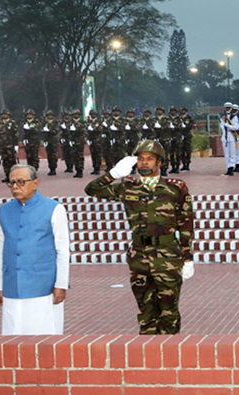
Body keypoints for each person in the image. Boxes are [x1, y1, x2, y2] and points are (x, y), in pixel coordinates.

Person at [84, 140, 194, 334]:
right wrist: (113, 174)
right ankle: (148, 356)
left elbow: (186, 224)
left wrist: (188, 258)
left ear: (159, 163)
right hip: (139, 257)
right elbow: (91, 189)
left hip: (167, 256)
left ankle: (169, 355)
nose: (144, 163)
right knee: (146, 312)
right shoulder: (128, 187)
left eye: (150, 159)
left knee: (169, 312)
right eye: (141, 159)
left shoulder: (175, 188)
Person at [0, 164, 70, 335]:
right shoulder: (2, 211)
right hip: (12, 286)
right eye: (11, 183)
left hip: (44, 287)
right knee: (13, 339)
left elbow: (62, 250)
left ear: (35, 183)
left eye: (20, 182)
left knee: (45, 339)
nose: (15, 187)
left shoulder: (54, 209)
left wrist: (61, 284)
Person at [0, 110, 19, 183]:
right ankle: (7, 175)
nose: (4, 115)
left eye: (5, 114)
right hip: (2, 145)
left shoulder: (12, 123)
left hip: (10, 145)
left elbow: (16, 135)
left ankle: (14, 176)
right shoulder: (0, 123)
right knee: (5, 161)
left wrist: (16, 144)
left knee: (12, 161)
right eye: (3, 114)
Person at [220, 102, 239, 176]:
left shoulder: (235, 117)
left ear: (231, 108)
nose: (227, 109)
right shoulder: (223, 117)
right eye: (226, 108)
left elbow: (236, 127)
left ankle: (232, 167)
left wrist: (228, 126)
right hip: (225, 138)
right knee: (227, 154)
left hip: (232, 137)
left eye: (229, 108)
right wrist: (225, 126)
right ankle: (228, 168)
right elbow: (222, 127)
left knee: (233, 153)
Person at [86, 109, 103, 175]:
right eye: (92, 114)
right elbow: (85, 129)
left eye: (94, 114)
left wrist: (93, 129)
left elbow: (100, 129)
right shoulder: (88, 122)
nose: (93, 115)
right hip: (91, 140)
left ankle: (98, 168)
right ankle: (94, 167)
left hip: (98, 140)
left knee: (98, 154)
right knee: (93, 154)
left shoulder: (99, 122)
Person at [179, 106, 194, 171]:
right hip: (180, 135)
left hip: (187, 134)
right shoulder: (178, 118)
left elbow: (192, 124)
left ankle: (187, 164)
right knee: (181, 150)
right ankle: (183, 164)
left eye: (184, 110)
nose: (183, 111)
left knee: (187, 150)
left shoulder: (189, 117)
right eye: (182, 110)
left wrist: (187, 126)